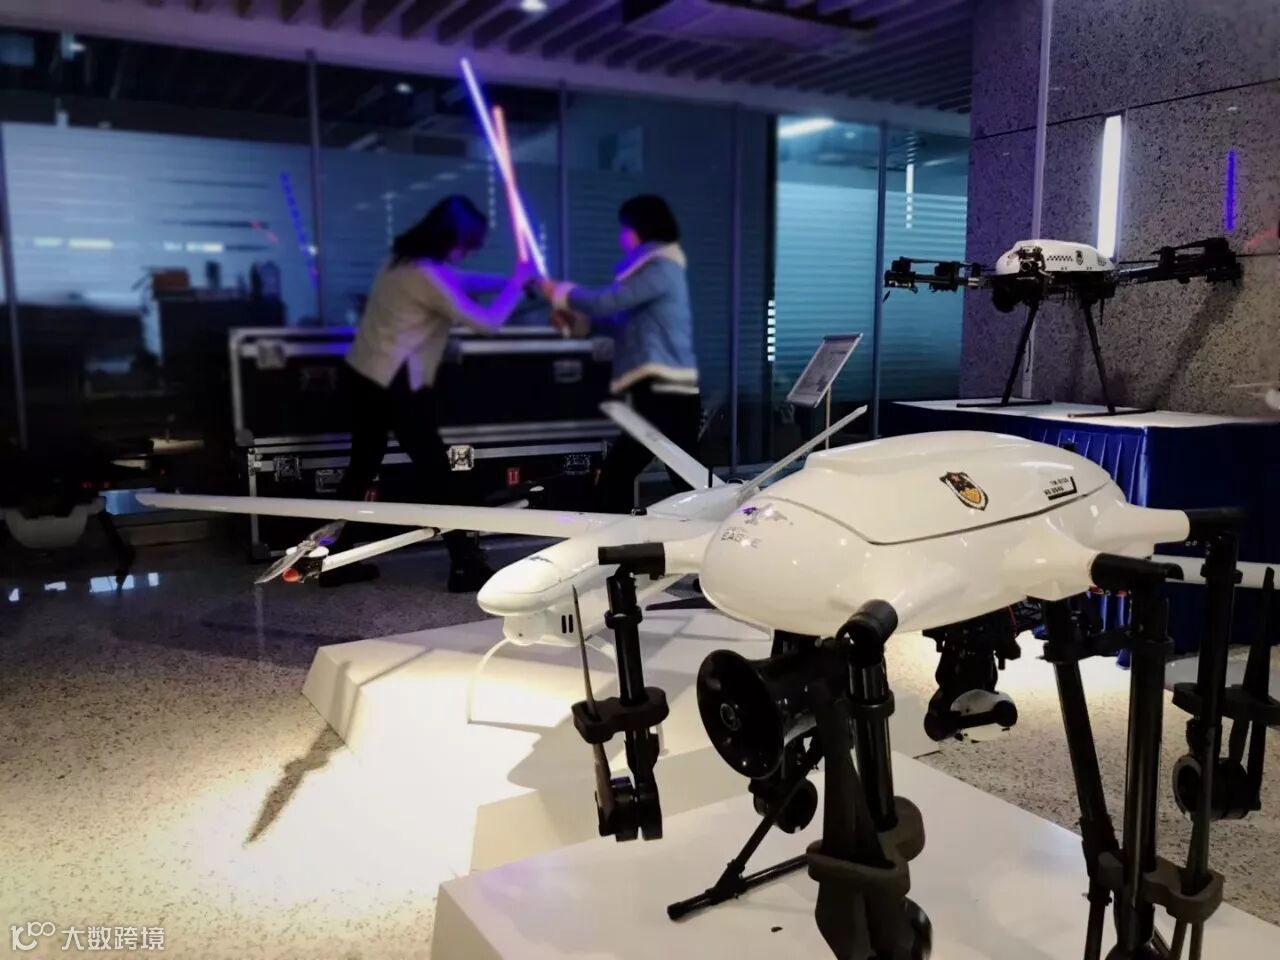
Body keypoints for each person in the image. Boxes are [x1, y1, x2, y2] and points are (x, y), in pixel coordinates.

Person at [324, 195, 536, 590]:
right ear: (451, 240)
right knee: (438, 474)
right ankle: (465, 565)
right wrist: (517, 286)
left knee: (361, 470)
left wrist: (510, 281)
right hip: (395, 384)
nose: (465, 254)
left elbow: (460, 281)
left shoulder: (401, 262)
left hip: (365, 377)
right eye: (466, 246)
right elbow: (487, 323)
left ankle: (333, 560)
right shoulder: (426, 275)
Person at [539, 194, 701, 513]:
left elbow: (606, 303)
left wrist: (559, 292)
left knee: (623, 475)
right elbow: (616, 322)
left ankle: (621, 539)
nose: (622, 237)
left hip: (667, 391)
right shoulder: (648, 272)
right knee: (682, 477)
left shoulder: (662, 268)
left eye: (625, 228)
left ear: (642, 228)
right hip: (661, 391)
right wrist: (575, 323)